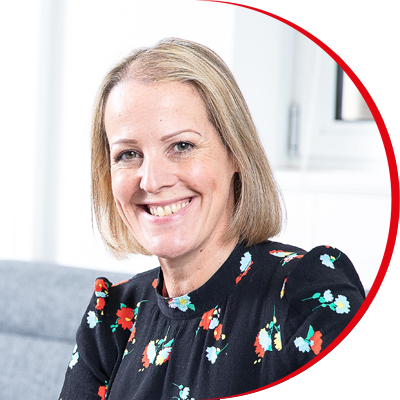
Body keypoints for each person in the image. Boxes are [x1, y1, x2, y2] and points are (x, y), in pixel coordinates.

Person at [59, 38, 365, 399]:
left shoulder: (307, 298)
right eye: (128, 154)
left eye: (182, 146)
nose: (153, 180)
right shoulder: (112, 319)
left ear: (236, 153)